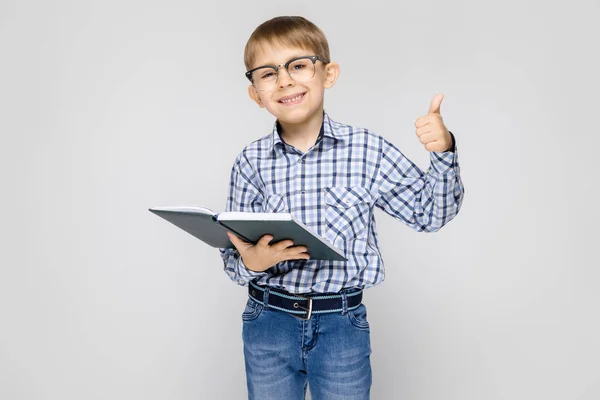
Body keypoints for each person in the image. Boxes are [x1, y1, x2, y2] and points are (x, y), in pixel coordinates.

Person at [219, 15, 465, 400]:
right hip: (267, 320)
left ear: (328, 74)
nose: (284, 80)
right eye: (268, 73)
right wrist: (252, 260)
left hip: (341, 324)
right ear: (255, 93)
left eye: (298, 65)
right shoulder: (250, 163)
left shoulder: (369, 151)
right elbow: (232, 254)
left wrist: (443, 152)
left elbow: (429, 214)